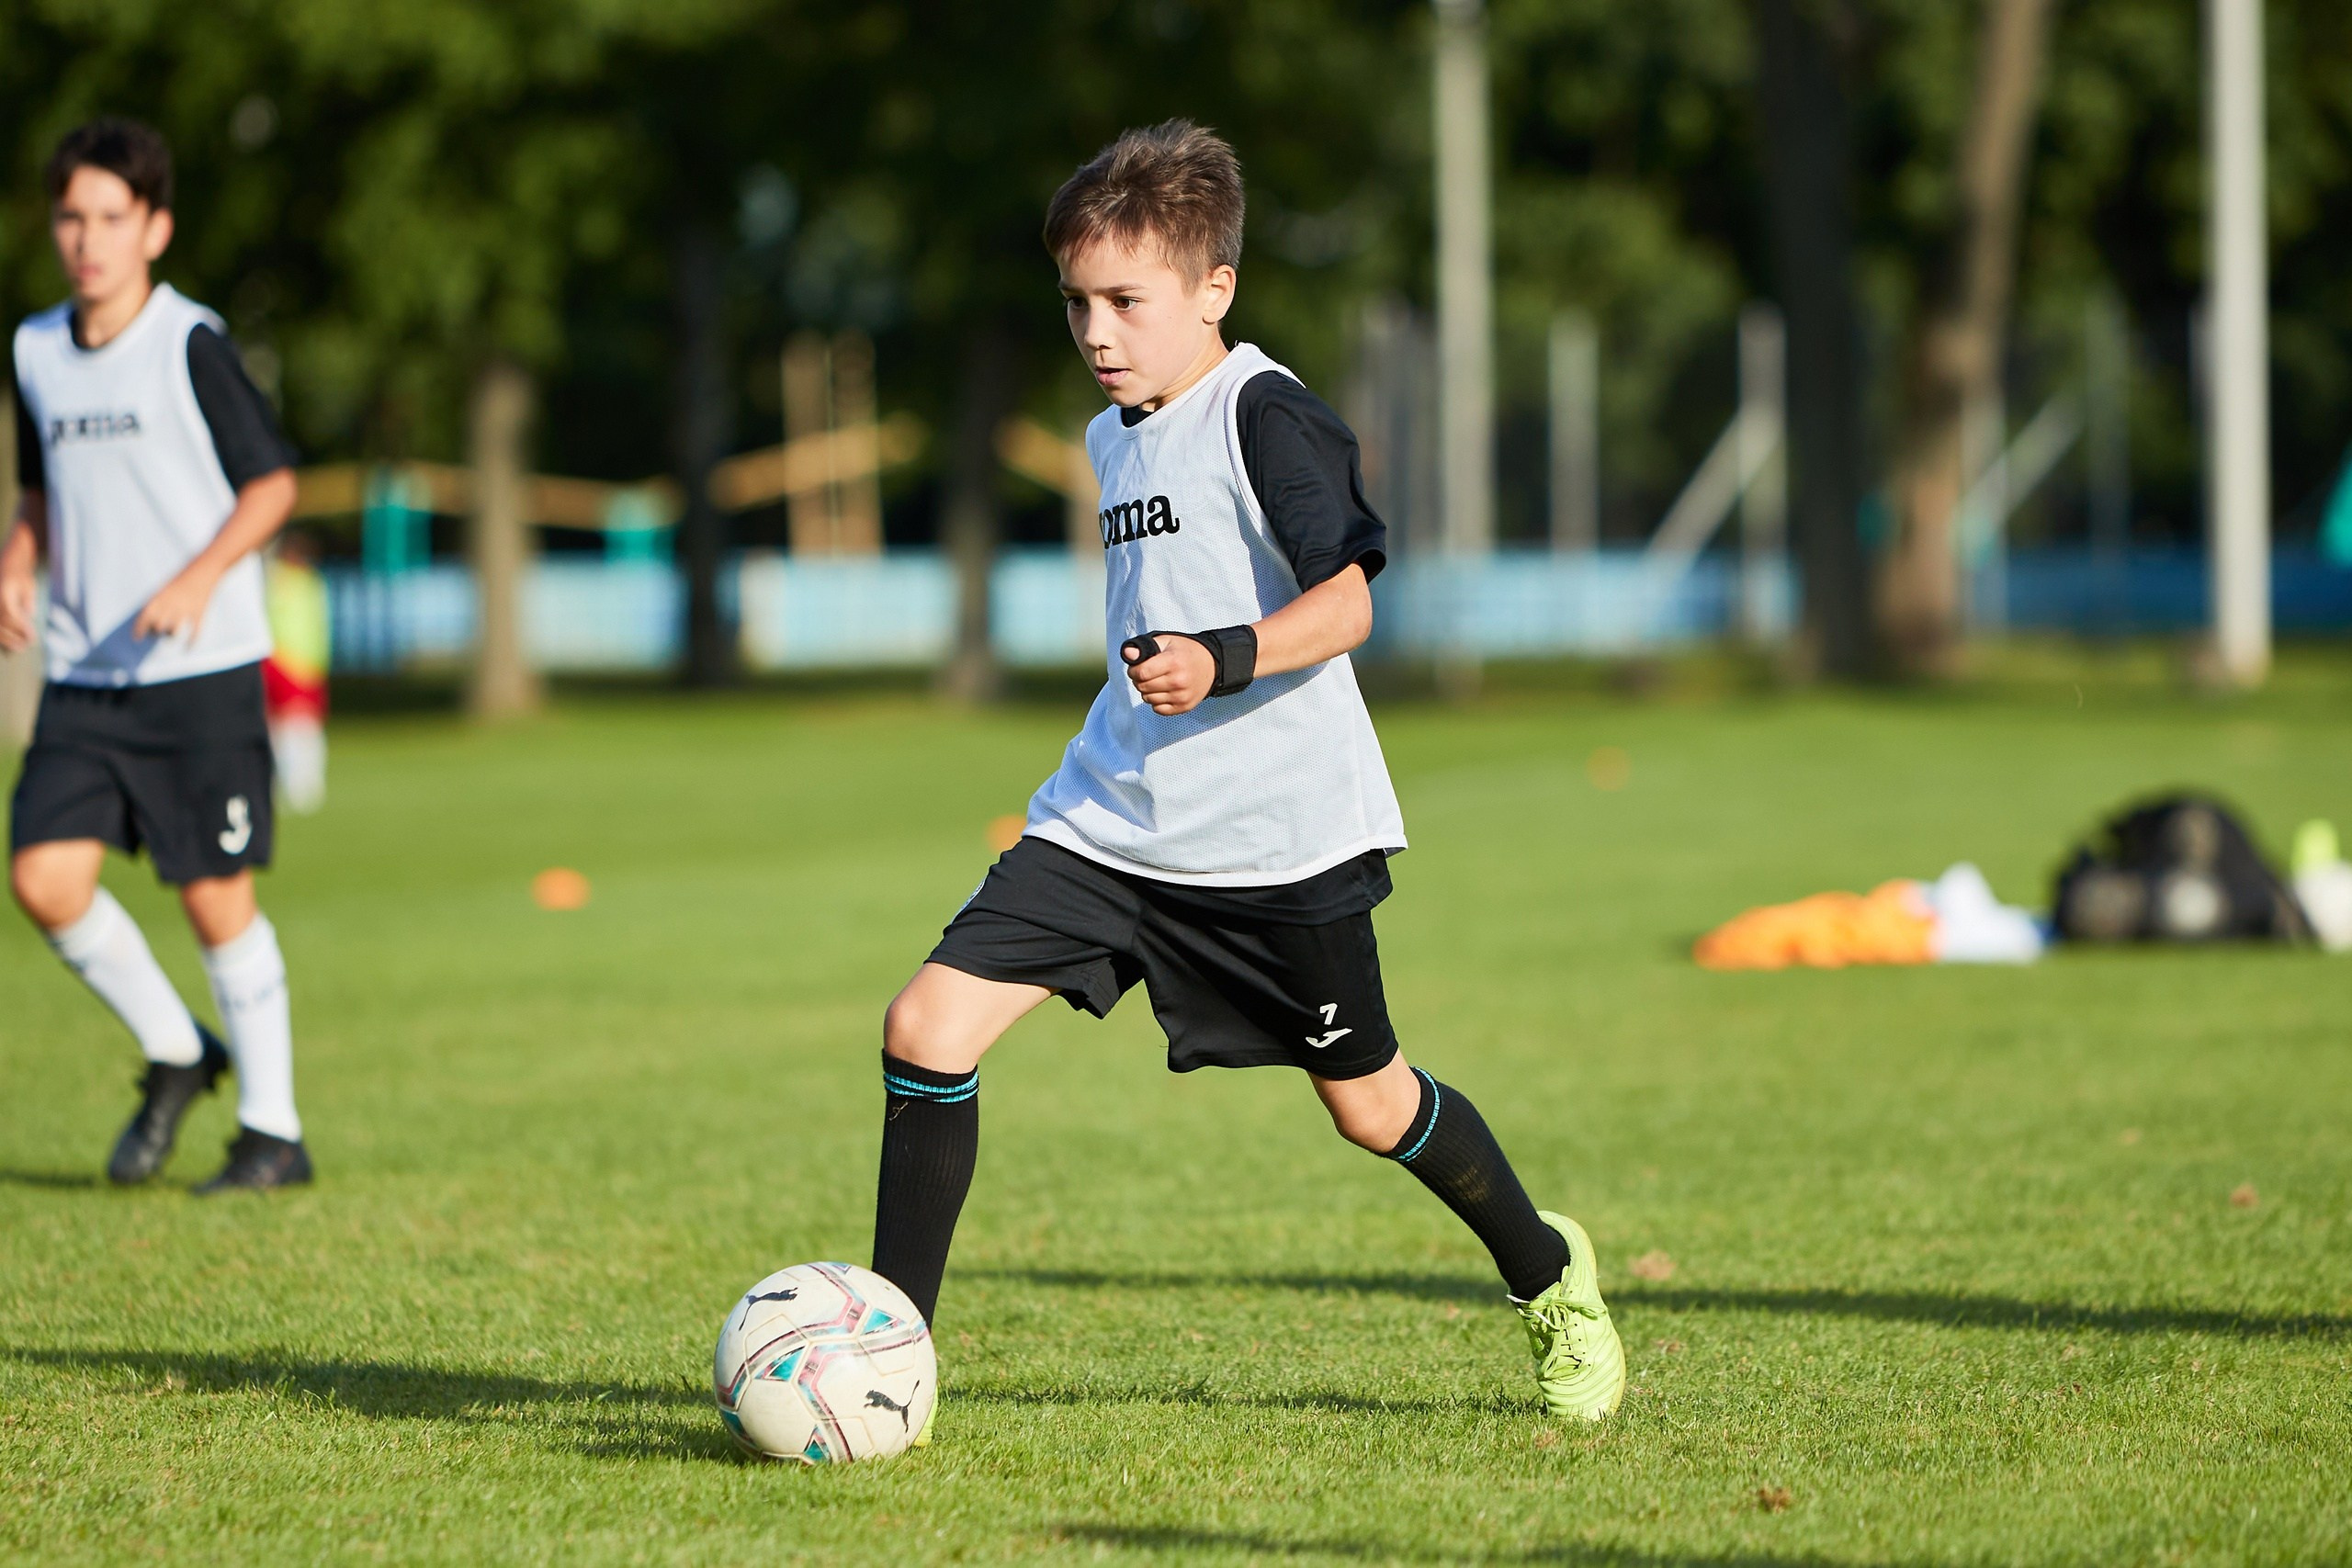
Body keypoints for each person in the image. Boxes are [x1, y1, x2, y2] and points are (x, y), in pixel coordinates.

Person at [870, 121, 1623, 1427]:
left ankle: (1551, 1275)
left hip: (1279, 843)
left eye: (1125, 300)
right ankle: (887, 1350)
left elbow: (1347, 607)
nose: (1096, 331)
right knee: (924, 1028)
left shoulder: (1262, 414)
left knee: (1372, 1104)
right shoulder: (1116, 433)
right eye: (1076, 303)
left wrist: (1225, 655)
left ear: (1213, 288)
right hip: (1110, 820)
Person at [2, 118, 311, 1192]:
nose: (87, 239)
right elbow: (44, 490)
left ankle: (274, 1132)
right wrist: (16, 557)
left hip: (200, 671)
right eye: (71, 217)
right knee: (42, 878)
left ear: (155, 228)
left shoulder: (191, 341)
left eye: (111, 218)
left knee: (212, 897)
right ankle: (179, 1050)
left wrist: (196, 575)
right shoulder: (35, 349)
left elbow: (272, 484)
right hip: (87, 676)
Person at [263, 528, 330, 815]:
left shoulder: (308, 583)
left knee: (298, 727)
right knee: (282, 727)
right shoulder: (278, 580)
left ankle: (302, 784)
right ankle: (289, 784)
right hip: (282, 660)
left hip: (304, 662)